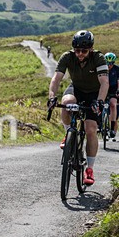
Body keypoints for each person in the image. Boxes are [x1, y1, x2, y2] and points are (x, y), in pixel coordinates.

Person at [47, 30, 109, 185]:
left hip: (94, 94)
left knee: (90, 129)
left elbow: (104, 83)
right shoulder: (67, 57)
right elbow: (56, 79)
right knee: (66, 102)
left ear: (91, 49)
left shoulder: (98, 58)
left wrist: (100, 101)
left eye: (84, 51)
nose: (80, 54)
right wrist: (51, 97)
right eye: (77, 50)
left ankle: (89, 169)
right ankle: (69, 132)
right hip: (77, 89)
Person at [104, 52, 119, 139]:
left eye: (111, 63)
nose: (109, 65)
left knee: (113, 104)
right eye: (107, 63)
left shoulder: (117, 69)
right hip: (103, 88)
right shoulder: (101, 69)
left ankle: (112, 128)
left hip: (113, 89)